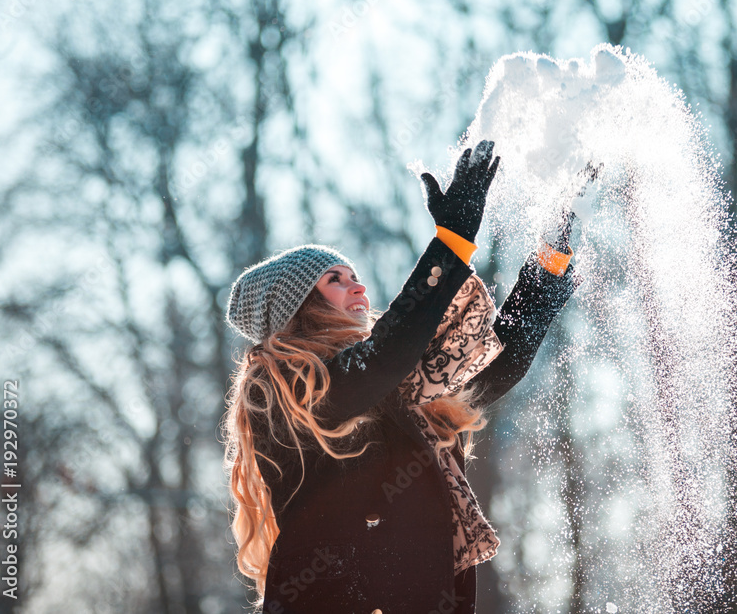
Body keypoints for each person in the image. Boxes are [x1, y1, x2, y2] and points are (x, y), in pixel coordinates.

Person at [222, 140, 581, 613]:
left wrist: (549, 263)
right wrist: (450, 242)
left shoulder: (397, 383)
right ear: (300, 309)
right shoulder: (280, 388)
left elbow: (492, 367)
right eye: (335, 279)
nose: (358, 285)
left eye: (352, 274)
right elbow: (384, 357)